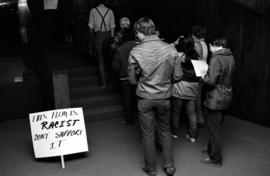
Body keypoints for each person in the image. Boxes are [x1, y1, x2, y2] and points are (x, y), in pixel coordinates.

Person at [128, 17, 182, 176]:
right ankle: (170, 166)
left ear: (140, 32)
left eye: (136, 32)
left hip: (144, 97)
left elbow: (131, 79)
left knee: (147, 133)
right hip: (164, 97)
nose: (136, 36)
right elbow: (178, 76)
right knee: (165, 130)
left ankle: (151, 169)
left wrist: (141, 78)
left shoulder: (136, 51)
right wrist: (165, 81)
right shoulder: (170, 49)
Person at [200, 36, 236, 167]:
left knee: (214, 129)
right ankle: (211, 150)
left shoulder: (215, 57)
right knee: (216, 126)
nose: (210, 49)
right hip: (227, 95)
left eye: (210, 46)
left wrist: (203, 75)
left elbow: (211, 81)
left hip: (216, 97)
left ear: (214, 45)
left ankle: (216, 159)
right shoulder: (230, 56)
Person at [171, 36, 200, 143]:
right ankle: (192, 136)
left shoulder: (179, 55)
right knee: (192, 113)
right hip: (193, 88)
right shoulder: (196, 56)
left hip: (179, 87)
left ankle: (174, 133)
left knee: (176, 112)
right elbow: (201, 73)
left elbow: (175, 72)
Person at [88, 0, 115, 88]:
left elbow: (91, 28)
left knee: (101, 61)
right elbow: (112, 28)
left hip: (98, 36)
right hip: (108, 36)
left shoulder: (93, 11)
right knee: (109, 59)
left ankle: (104, 84)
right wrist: (112, 41)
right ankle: (110, 81)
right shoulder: (110, 11)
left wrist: (92, 40)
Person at [112, 28, 136, 125]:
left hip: (125, 77)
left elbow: (115, 66)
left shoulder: (120, 49)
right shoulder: (139, 46)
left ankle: (129, 120)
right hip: (139, 76)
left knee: (127, 100)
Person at [192, 25, 208, 128]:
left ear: (195, 35)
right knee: (199, 95)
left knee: (196, 97)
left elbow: (195, 58)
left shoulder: (197, 44)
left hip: (198, 70)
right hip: (203, 69)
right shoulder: (204, 44)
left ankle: (198, 120)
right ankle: (200, 118)